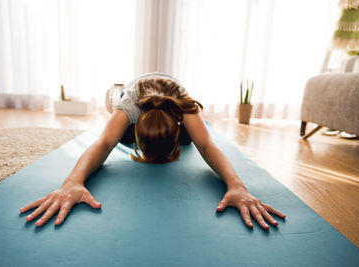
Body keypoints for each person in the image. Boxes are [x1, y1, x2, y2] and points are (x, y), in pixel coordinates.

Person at [20, 72, 286, 230]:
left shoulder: (184, 104)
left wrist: (237, 185)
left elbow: (206, 144)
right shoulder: (130, 105)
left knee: (193, 137)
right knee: (115, 134)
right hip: (136, 98)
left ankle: (173, 134)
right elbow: (103, 143)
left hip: (172, 107)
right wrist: (72, 182)